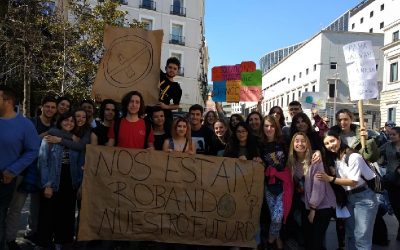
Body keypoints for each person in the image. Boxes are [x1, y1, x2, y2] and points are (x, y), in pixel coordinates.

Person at [5, 96, 57, 249]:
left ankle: (33, 233)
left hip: (43, 172)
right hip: (25, 170)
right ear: (41, 107)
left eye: (53, 107)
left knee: (38, 207)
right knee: (16, 207)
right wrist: (44, 135)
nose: (50, 110)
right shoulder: (29, 123)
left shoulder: (56, 125)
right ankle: (9, 239)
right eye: (47, 106)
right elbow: (22, 143)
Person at [316, 130, 378, 250]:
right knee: (350, 235)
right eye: (327, 143)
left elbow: (353, 182)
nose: (330, 145)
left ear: (339, 139)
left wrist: (330, 178)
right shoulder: (337, 157)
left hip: (364, 198)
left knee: (361, 238)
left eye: (332, 141)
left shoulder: (353, 156)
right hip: (350, 198)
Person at [0, 86, 40, 250]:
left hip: (7, 178)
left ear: (7, 101)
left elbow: (33, 150)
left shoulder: (25, 124)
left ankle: (7, 241)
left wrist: (13, 170)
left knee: (4, 214)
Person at [36, 112, 82, 249]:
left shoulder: (75, 140)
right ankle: (44, 243)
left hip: (70, 181)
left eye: (72, 121)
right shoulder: (49, 138)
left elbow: (80, 161)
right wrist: (47, 184)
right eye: (66, 120)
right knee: (48, 214)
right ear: (60, 121)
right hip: (53, 180)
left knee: (66, 214)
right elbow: (42, 162)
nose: (69, 123)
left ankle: (60, 243)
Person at [287, 132, 335, 250]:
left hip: (322, 205)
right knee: (308, 239)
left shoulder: (315, 159)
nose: (300, 144)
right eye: (297, 141)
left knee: (315, 240)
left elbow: (319, 186)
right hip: (306, 205)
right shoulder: (292, 163)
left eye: (303, 141)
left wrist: (313, 209)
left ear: (307, 143)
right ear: (293, 144)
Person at [260, 115, 292, 250]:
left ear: (276, 127)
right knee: (273, 215)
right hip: (268, 184)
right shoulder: (259, 144)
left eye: (272, 126)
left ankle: (270, 238)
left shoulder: (283, 142)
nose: (269, 128)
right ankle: (277, 237)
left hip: (284, 183)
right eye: (266, 125)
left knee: (278, 217)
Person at [379, 126, 400, 240]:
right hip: (391, 181)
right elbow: (375, 153)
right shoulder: (387, 145)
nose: (390, 136)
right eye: (390, 134)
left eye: (393, 134)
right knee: (395, 206)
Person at [158, 57, 182, 133]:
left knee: (167, 133)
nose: (172, 70)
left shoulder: (177, 88)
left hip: (165, 114)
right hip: (149, 110)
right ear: (166, 68)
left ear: (177, 71)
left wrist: (165, 106)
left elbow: (176, 105)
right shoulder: (159, 74)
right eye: (170, 67)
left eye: (175, 69)